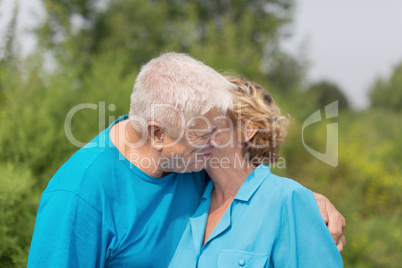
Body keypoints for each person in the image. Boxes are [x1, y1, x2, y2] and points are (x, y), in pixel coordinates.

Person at [27, 53, 345, 267]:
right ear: (158, 134)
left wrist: (308, 204)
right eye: (204, 133)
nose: (213, 144)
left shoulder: (190, 163)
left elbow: (257, 195)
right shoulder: (79, 197)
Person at [169, 76, 344, 267]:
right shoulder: (187, 191)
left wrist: (303, 202)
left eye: (211, 120)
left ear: (248, 130)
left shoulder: (288, 200)